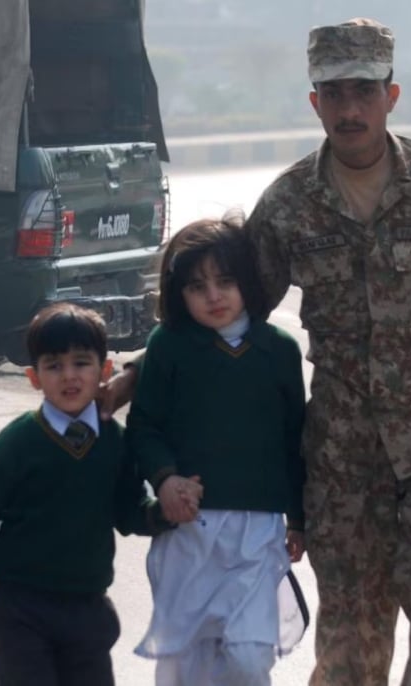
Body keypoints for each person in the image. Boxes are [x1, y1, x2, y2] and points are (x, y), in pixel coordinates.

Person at [105, 17, 411, 686]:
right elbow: (223, 320)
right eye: (333, 94)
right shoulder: (289, 205)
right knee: (352, 636)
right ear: (315, 103)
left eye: (363, 91)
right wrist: (134, 378)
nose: (349, 109)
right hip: (342, 458)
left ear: (391, 95)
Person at [0, 303, 199, 686]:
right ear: (33, 377)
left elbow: (128, 512)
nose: (69, 376)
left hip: (86, 610)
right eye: (54, 365)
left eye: (81, 363)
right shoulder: (18, 442)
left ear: (105, 371)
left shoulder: (116, 442)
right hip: (18, 607)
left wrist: (164, 514)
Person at [126, 217, 307, 686]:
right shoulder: (167, 347)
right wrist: (165, 480)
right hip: (188, 534)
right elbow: (144, 426)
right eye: (197, 286)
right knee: (189, 668)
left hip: (257, 535)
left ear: (247, 280)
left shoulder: (279, 350)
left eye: (225, 281)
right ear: (178, 294)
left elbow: (296, 440)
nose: (213, 296)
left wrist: (300, 518)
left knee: (249, 661)